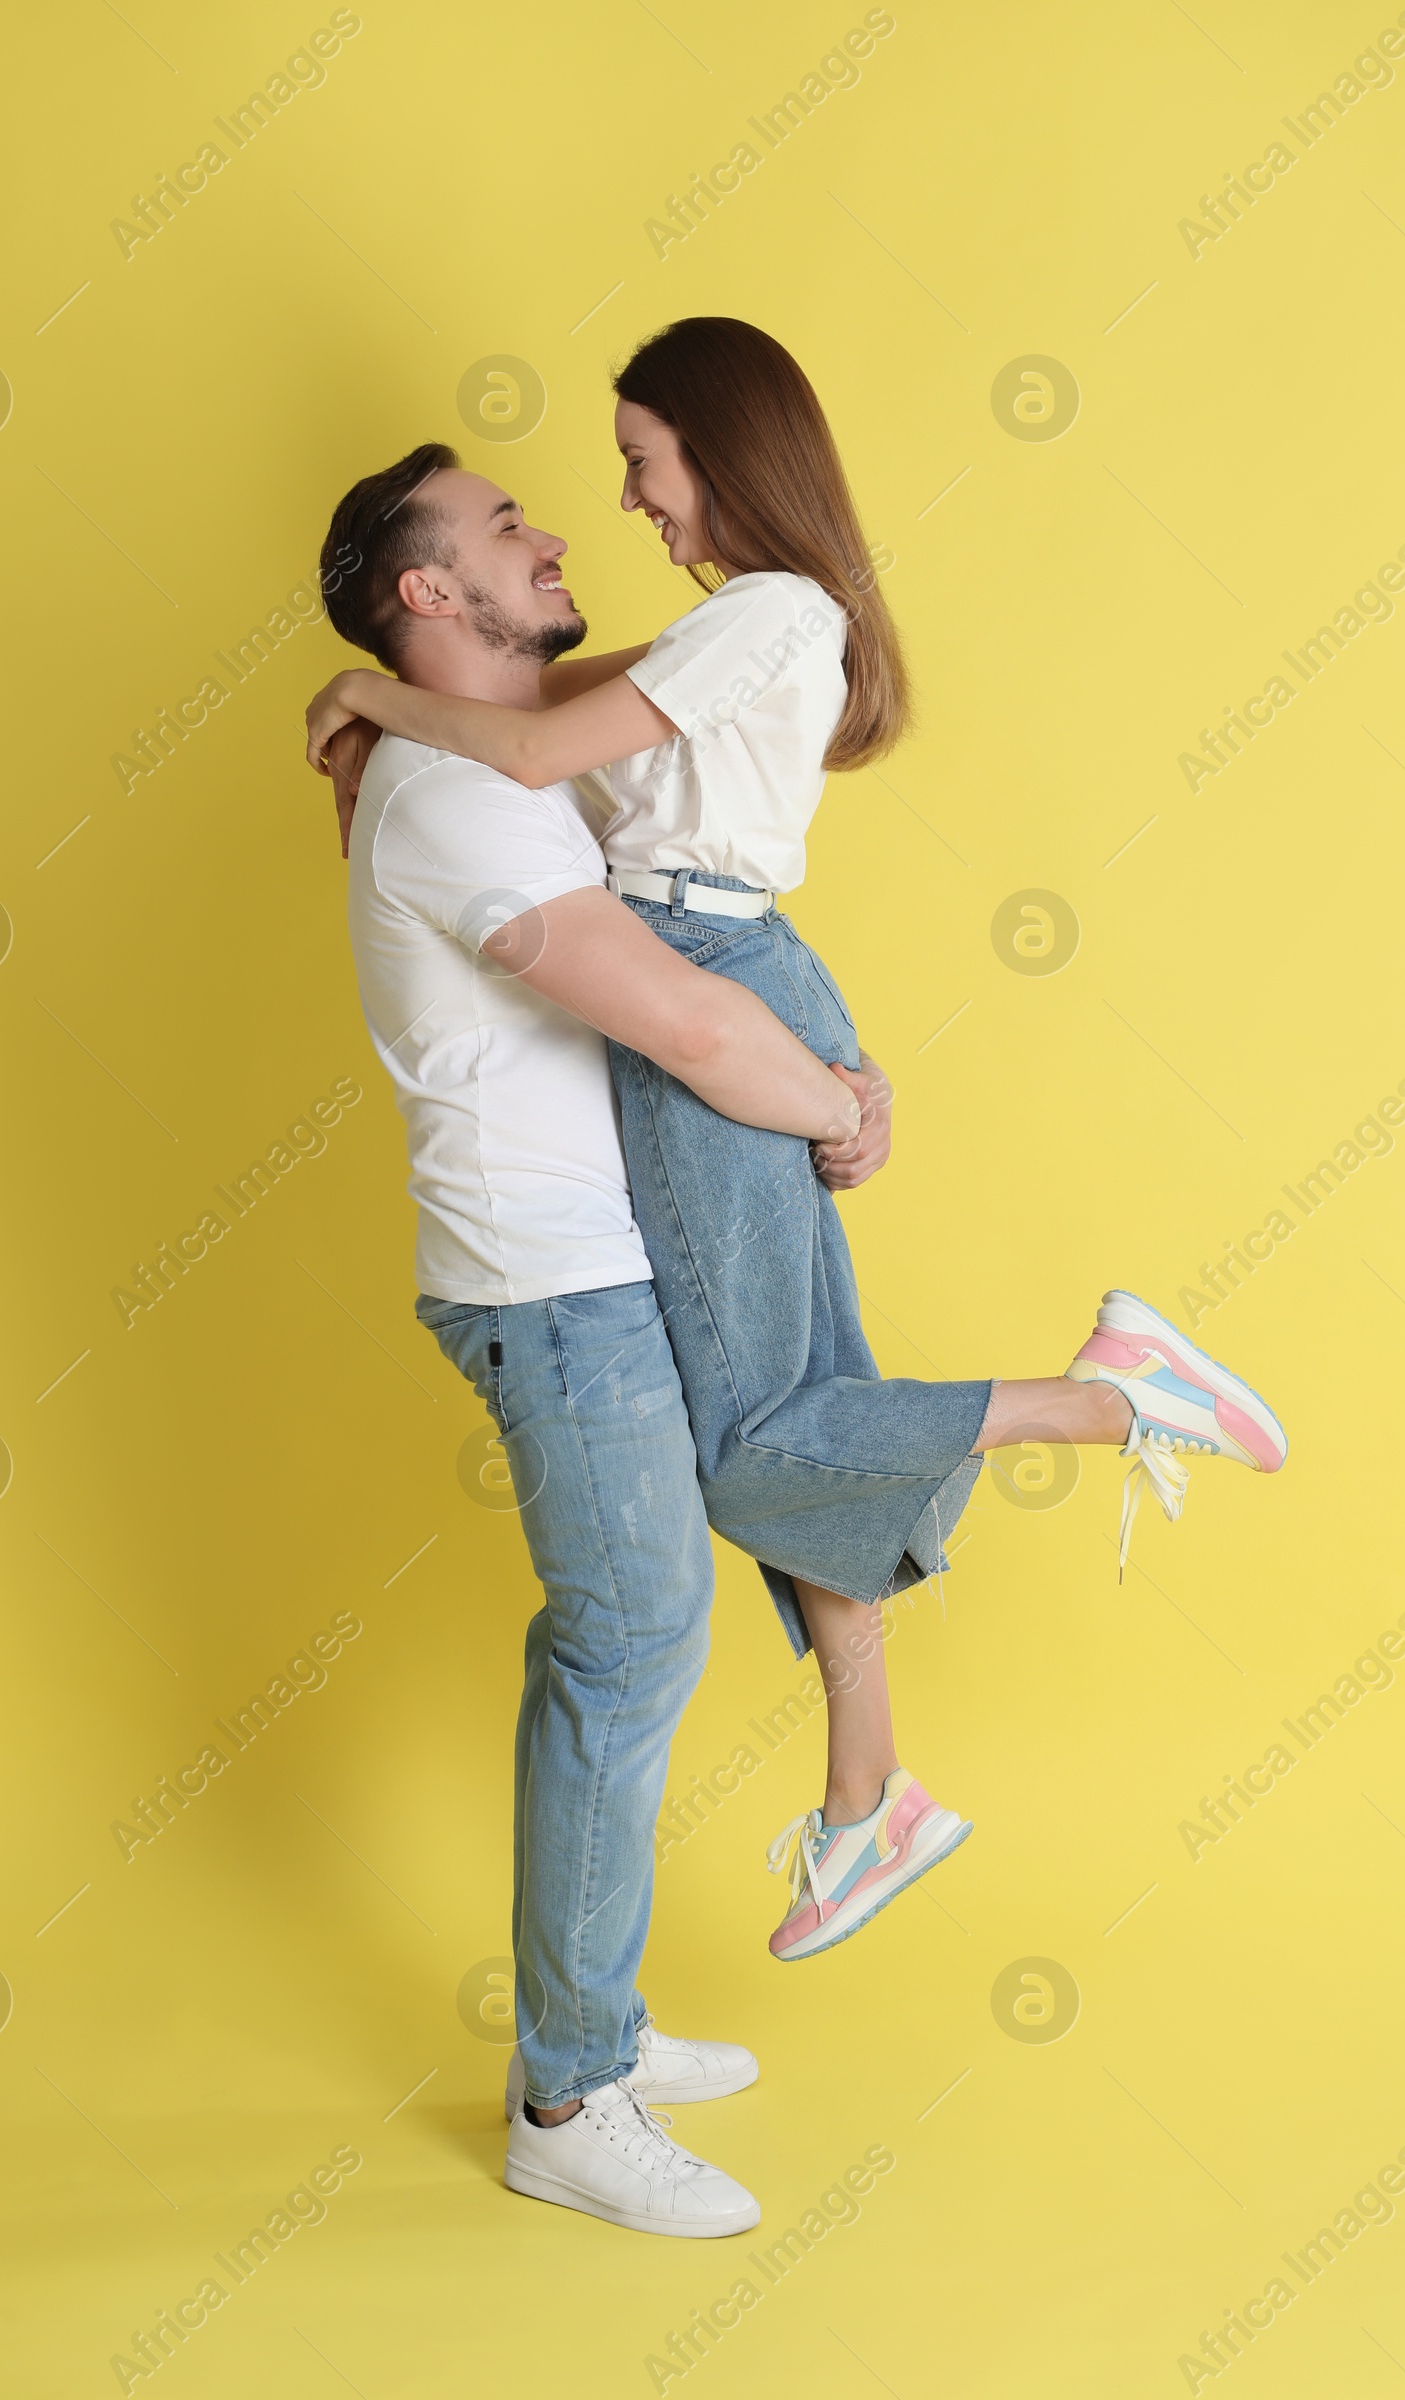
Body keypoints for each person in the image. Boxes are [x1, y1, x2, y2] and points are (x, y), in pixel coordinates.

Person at [310, 325, 1287, 1972]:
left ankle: (1116, 1396)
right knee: (805, 1396)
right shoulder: (734, 628)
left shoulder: (768, 613)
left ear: (723, 448)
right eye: (586, 484)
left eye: (641, 461)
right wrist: (387, 703)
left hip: (711, 972)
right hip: (729, 960)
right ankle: (867, 1797)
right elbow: (534, 696)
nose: (616, 502)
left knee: (764, 1440)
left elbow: (540, 740)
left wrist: (369, 694)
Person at [319, 445, 878, 2237]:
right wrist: (839, 1107)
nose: (557, 528)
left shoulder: (480, 752)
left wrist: (370, 689)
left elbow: (596, 693)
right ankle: (568, 2094)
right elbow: (683, 1019)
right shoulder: (454, 798)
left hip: (591, 1268)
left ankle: (600, 2019)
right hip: (548, 1291)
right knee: (628, 1649)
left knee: (640, 1638)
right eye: (504, 529)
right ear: (428, 591)